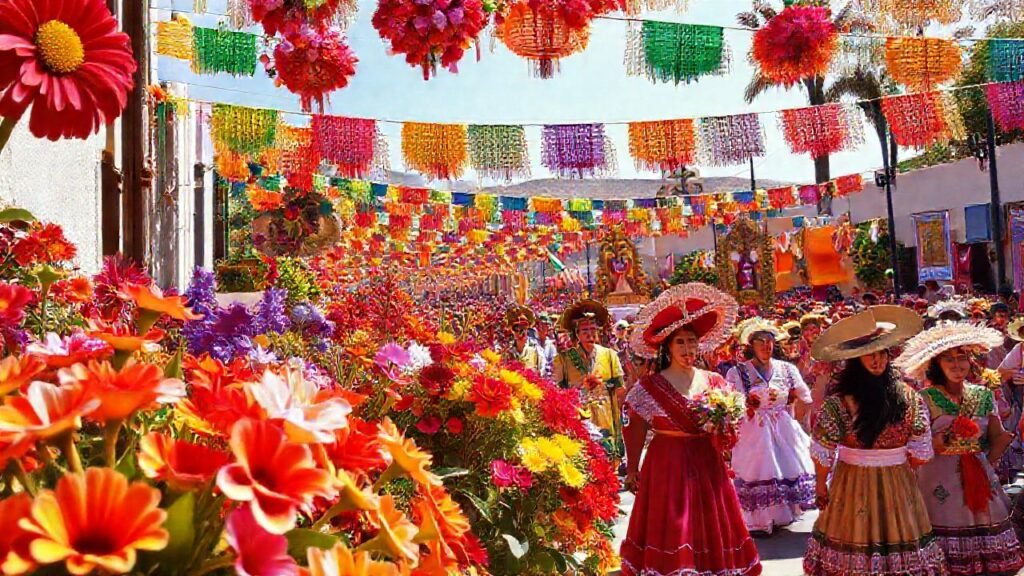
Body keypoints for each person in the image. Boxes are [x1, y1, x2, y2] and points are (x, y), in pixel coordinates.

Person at [621, 283, 761, 576]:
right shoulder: (649, 387)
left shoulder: (714, 382)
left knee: (711, 520)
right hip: (667, 463)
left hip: (707, 462)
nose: (688, 349)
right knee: (674, 522)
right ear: (668, 348)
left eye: (692, 341)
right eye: (681, 342)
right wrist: (632, 468)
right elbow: (634, 427)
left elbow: (731, 429)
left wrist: (731, 421)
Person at [803, 305, 945, 575]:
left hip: (893, 479)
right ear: (856, 360)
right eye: (868, 355)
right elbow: (823, 449)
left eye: (881, 353)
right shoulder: (839, 404)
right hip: (855, 480)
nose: (877, 360)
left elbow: (920, 449)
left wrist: (905, 476)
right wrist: (821, 486)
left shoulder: (907, 397)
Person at [895, 321, 1024, 575]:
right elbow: (913, 444)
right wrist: (941, 441)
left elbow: (996, 435)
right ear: (937, 365)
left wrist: (994, 458)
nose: (957, 365)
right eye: (949, 360)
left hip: (978, 471)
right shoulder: (924, 399)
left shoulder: (983, 395)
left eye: (962, 358)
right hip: (936, 476)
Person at [725, 318, 815, 534]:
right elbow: (731, 403)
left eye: (770, 341)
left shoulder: (787, 369)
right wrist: (744, 409)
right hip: (753, 429)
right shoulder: (737, 373)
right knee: (759, 469)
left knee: (786, 468)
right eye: (761, 341)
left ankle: (783, 514)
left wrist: (795, 416)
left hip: (782, 426)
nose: (767, 346)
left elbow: (806, 396)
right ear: (751, 345)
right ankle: (759, 520)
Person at [553, 299, 625, 448]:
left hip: (606, 417)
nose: (590, 334)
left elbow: (619, 389)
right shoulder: (564, 360)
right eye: (585, 331)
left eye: (593, 330)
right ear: (577, 334)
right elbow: (560, 393)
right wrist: (582, 388)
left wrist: (603, 385)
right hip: (580, 418)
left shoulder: (610, 356)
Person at [502, 305, 544, 374]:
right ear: (512, 331)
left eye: (523, 327)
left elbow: (542, 375)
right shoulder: (507, 353)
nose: (520, 332)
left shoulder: (537, 351)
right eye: (516, 328)